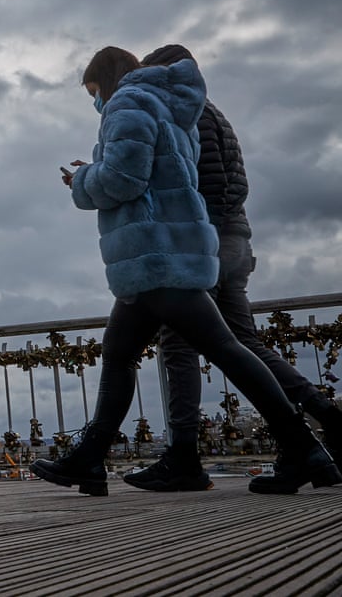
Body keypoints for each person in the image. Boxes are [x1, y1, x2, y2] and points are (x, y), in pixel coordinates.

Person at [32, 46, 340, 495]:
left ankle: (305, 448)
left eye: (94, 92)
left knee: (224, 348)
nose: (96, 103)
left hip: (153, 253)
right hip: (171, 250)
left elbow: (124, 179)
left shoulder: (128, 103)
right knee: (127, 351)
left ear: (108, 80)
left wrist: (82, 180)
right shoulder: (176, 109)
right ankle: (90, 459)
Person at [123, 45, 342, 492]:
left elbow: (178, 183)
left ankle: (183, 456)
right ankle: (326, 420)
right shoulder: (214, 113)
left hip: (203, 242)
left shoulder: (180, 114)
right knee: (244, 342)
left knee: (178, 344)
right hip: (237, 238)